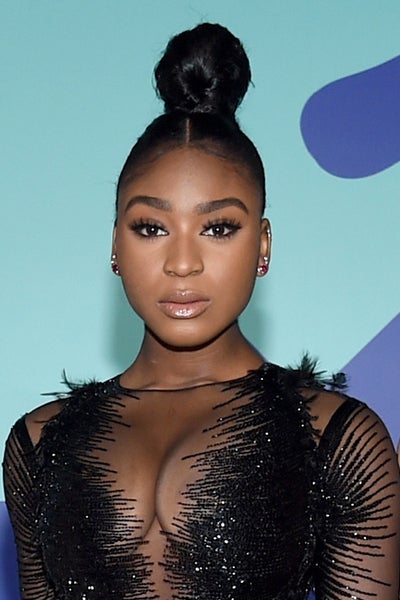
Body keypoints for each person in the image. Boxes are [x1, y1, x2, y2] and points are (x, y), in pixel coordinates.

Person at [2, 22, 400, 600]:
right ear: (115, 245)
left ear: (262, 245)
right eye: (151, 227)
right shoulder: (38, 444)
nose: (183, 263)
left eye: (218, 227)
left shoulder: (337, 440)